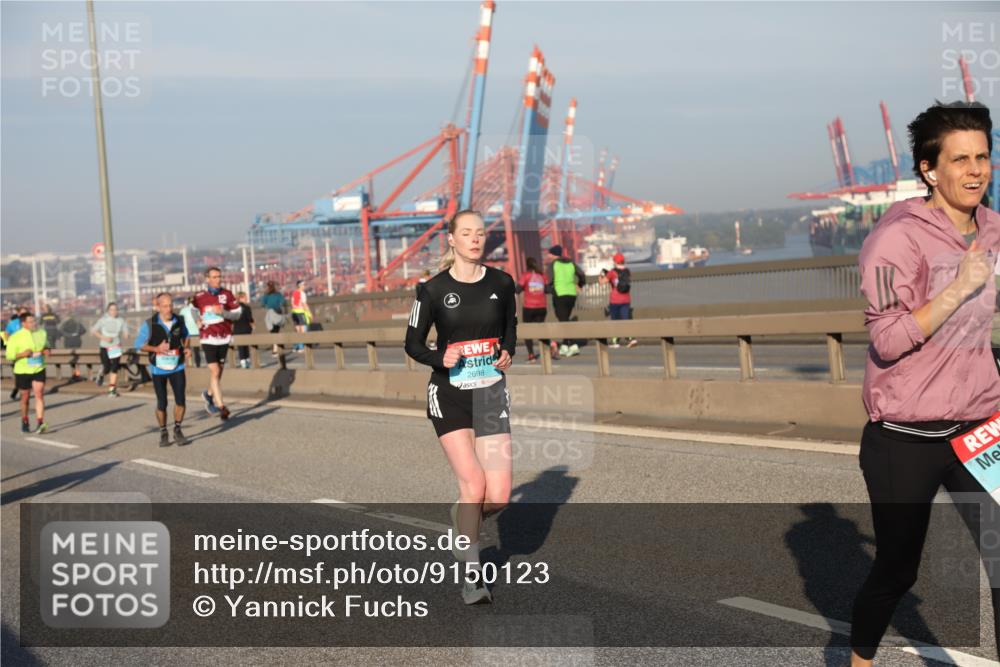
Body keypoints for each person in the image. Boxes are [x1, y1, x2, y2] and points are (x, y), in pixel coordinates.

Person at [849, 101, 1000, 666]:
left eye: (983, 156)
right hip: (904, 436)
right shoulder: (894, 239)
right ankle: (860, 660)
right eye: (959, 159)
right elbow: (887, 340)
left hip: (980, 429)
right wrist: (958, 288)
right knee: (897, 568)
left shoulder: (993, 228)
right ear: (929, 170)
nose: (975, 170)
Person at [404, 209, 516, 605]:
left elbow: (510, 330)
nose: (474, 239)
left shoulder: (502, 283)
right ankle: (472, 575)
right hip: (448, 393)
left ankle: (461, 521)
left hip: (489, 392)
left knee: (499, 495)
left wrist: (507, 354)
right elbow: (413, 344)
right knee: (474, 484)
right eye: (466, 233)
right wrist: (441, 358)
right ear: (451, 239)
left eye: (480, 233)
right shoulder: (433, 290)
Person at [134, 292, 192, 447]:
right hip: (158, 369)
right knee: (162, 403)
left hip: (177, 366)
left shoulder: (179, 320)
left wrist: (187, 348)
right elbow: (139, 344)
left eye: (171, 305)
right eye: (165, 306)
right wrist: (156, 348)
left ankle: (178, 430)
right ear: (157, 307)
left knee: (180, 400)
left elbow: (186, 336)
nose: (169, 308)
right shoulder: (149, 324)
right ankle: (163, 431)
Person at [193, 266, 242, 420]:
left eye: (219, 276)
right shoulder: (199, 296)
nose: (218, 279)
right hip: (208, 337)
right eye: (214, 277)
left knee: (219, 371)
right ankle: (221, 406)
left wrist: (223, 312)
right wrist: (197, 321)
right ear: (207, 279)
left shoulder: (227, 294)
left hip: (224, 337)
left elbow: (238, 314)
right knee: (215, 371)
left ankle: (208, 394)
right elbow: (192, 309)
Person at [6, 312, 49, 433]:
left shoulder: (42, 333)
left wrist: (46, 351)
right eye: (30, 322)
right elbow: (9, 356)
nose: (34, 323)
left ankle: (40, 422)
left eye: (34, 321)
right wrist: (23, 354)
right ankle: (25, 420)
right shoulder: (15, 337)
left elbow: (46, 346)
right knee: (25, 397)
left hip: (38, 368)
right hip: (22, 370)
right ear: (23, 323)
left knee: (39, 394)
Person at [547, 244, 585, 357]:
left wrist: (550, 291)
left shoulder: (553, 264)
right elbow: (582, 275)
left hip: (560, 294)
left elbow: (550, 280)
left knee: (563, 320)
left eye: (550, 254)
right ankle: (565, 345)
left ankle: (572, 345)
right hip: (571, 294)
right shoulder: (571, 262)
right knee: (565, 319)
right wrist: (580, 285)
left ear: (554, 255)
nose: (548, 256)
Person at [599, 253, 638, 348]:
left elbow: (602, 282)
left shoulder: (612, 272)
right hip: (626, 299)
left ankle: (615, 341)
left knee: (615, 321)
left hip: (615, 300)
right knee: (626, 320)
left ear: (615, 261)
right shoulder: (628, 271)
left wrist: (600, 275)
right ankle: (631, 339)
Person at [515, 257, 550, 363]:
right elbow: (548, 290)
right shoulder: (542, 275)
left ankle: (531, 354)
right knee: (541, 330)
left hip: (529, 308)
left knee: (527, 332)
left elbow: (517, 289)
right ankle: (548, 350)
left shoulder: (526, 275)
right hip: (542, 307)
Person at [90, 302, 127, 398]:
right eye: (112, 309)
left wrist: (125, 334)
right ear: (108, 311)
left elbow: (125, 331)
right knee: (107, 367)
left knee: (114, 367)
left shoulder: (121, 320)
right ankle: (101, 373)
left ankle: (112, 390)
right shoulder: (103, 320)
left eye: (115, 309)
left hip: (116, 347)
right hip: (105, 347)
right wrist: (104, 338)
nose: (114, 311)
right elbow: (93, 330)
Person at [4, 308, 26, 399]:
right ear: (18, 313)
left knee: (27, 373)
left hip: (28, 351)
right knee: (18, 373)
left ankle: (21, 390)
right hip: (17, 353)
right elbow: (6, 334)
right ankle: (18, 389)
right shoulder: (13, 323)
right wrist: (10, 344)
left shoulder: (30, 322)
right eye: (22, 313)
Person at [260, 281, 286, 357]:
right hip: (277, 313)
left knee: (272, 332)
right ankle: (275, 349)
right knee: (276, 331)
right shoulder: (278, 294)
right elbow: (282, 302)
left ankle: (275, 349)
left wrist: (268, 306)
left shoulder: (266, 295)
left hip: (270, 314)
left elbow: (262, 304)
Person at [58, 314, 87, 381]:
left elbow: (60, 332)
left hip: (68, 342)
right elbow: (84, 331)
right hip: (77, 341)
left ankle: (73, 374)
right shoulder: (77, 323)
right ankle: (77, 374)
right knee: (77, 358)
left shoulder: (64, 324)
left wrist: (66, 335)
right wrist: (77, 334)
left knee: (71, 358)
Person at [233, 292, 255, 369]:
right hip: (246, 329)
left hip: (237, 330)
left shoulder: (234, 308)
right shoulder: (247, 308)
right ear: (241, 298)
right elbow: (250, 319)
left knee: (240, 347)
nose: (246, 299)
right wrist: (253, 324)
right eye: (245, 297)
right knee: (246, 346)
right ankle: (247, 361)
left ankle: (242, 362)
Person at [179, 296, 202, 368]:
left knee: (187, 350)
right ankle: (198, 365)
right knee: (197, 351)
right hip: (197, 333)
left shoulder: (183, 310)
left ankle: (190, 365)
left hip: (187, 334)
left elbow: (180, 322)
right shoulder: (198, 309)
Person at [290, 280, 312, 352]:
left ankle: (295, 347)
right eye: (303, 285)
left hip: (294, 313)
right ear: (300, 285)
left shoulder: (294, 293)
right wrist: (309, 313)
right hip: (301, 312)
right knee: (303, 330)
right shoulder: (302, 294)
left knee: (297, 330)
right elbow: (304, 304)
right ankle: (301, 347)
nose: (304, 286)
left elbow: (292, 303)